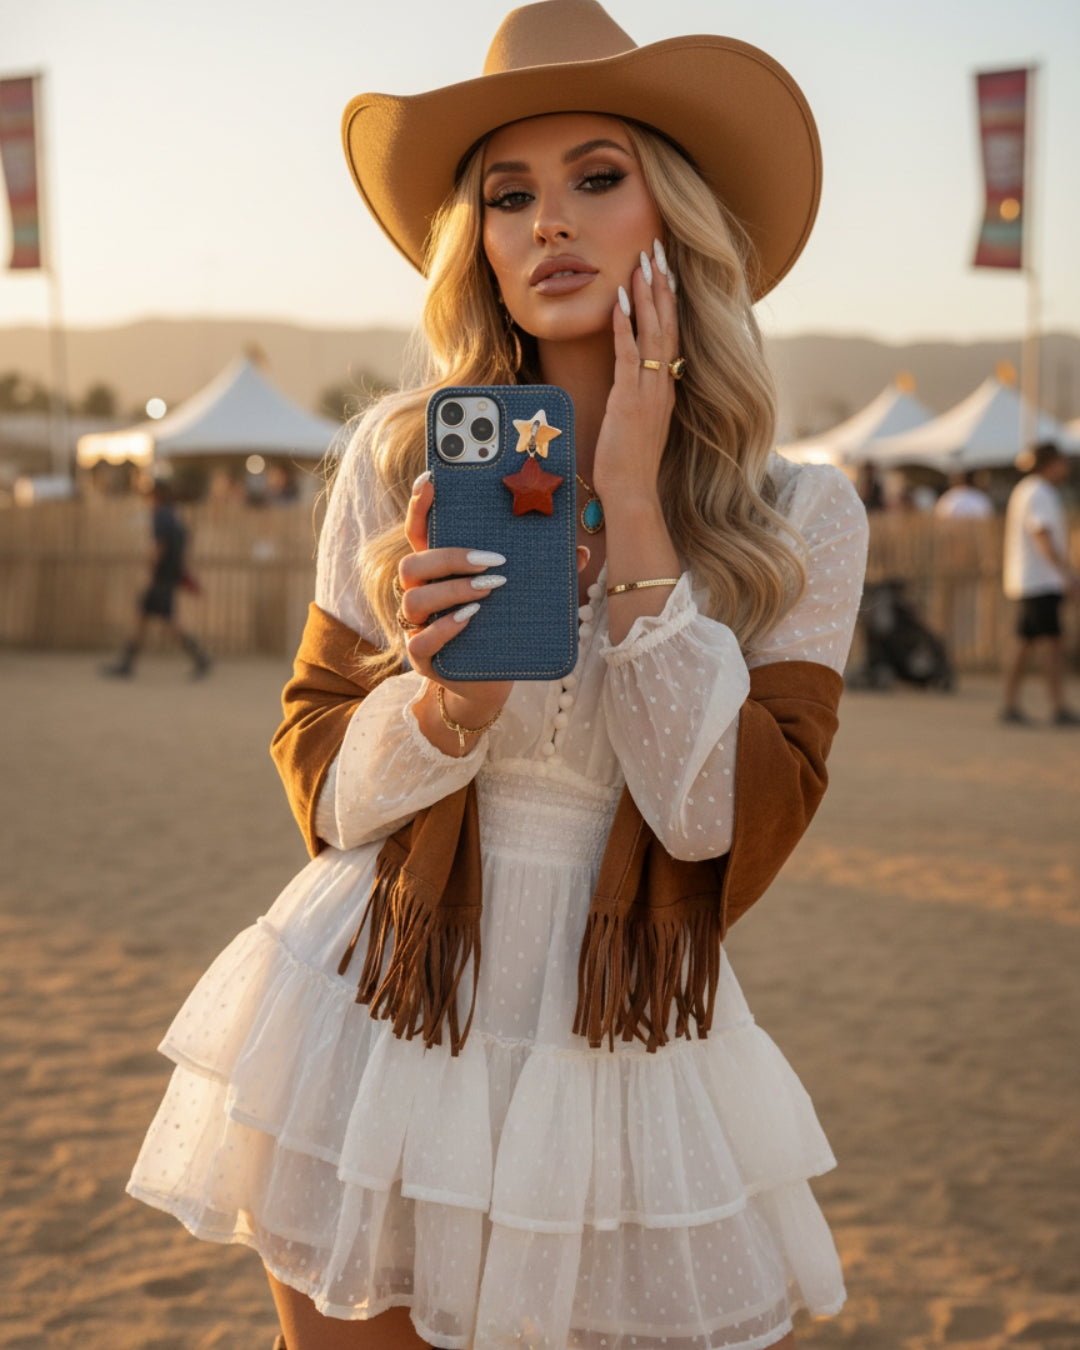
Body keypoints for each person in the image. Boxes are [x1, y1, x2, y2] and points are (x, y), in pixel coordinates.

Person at [127, 4, 869, 1348]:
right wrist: (447, 703)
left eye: (598, 177)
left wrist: (635, 502)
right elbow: (328, 795)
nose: (549, 224)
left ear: (675, 217)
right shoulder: (402, 456)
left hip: (619, 1042)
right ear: (476, 236)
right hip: (375, 1003)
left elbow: (715, 820)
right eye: (508, 193)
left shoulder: (798, 514)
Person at [1000, 441, 1079, 725]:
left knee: (1023, 643)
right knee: (1051, 645)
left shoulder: (1027, 489)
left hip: (1029, 580)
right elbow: (1042, 535)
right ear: (1051, 463)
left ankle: (1009, 704)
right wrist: (1067, 575)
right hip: (1040, 581)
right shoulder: (1039, 492)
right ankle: (1058, 706)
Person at [102, 479, 211, 679]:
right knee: (143, 617)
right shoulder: (175, 517)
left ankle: (200, 658)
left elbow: (159, 547)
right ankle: (127, 662)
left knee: (166, 622)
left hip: (161, 577)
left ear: (156, 496)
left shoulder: (161, 516)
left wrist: (150, 567)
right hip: (169, 575)